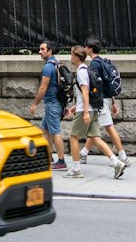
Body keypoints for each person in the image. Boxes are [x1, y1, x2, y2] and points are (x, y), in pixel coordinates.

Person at [65, 44, 126, 179]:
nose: (70, 57)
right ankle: (117, 163)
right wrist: (76, 107)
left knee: (73, 138)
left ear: (76, 57)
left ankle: (76, 169)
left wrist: (84, 111)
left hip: (85, 111)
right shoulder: (87, 69)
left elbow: (86, 92)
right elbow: (85, 94)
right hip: (92, 109)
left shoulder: (81, 72)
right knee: (96, 139)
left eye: (71, 55)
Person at [80, 37, 129, 168]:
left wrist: (93, 101)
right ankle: (84, 153)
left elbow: (96, 84)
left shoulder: (94, 64)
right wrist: (113, 102)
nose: (84, 49)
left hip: (100, 101)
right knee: (94, 128)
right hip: (106, 99)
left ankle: (122, 156)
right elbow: (107, 83)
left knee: (108, 127)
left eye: (85, 47)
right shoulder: (103, 61)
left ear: (89, 49)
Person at [28, 39, 67, 169]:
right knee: (45, 130)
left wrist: (35, 104)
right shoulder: (57, 63)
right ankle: (48, 157)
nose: (40, 52)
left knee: (55, 132)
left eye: (43, 49)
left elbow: (43, 88)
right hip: (56, 102)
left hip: (52, 103)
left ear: (50, 51)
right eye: (40, 49)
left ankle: (61, 161)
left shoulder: (48, 67)